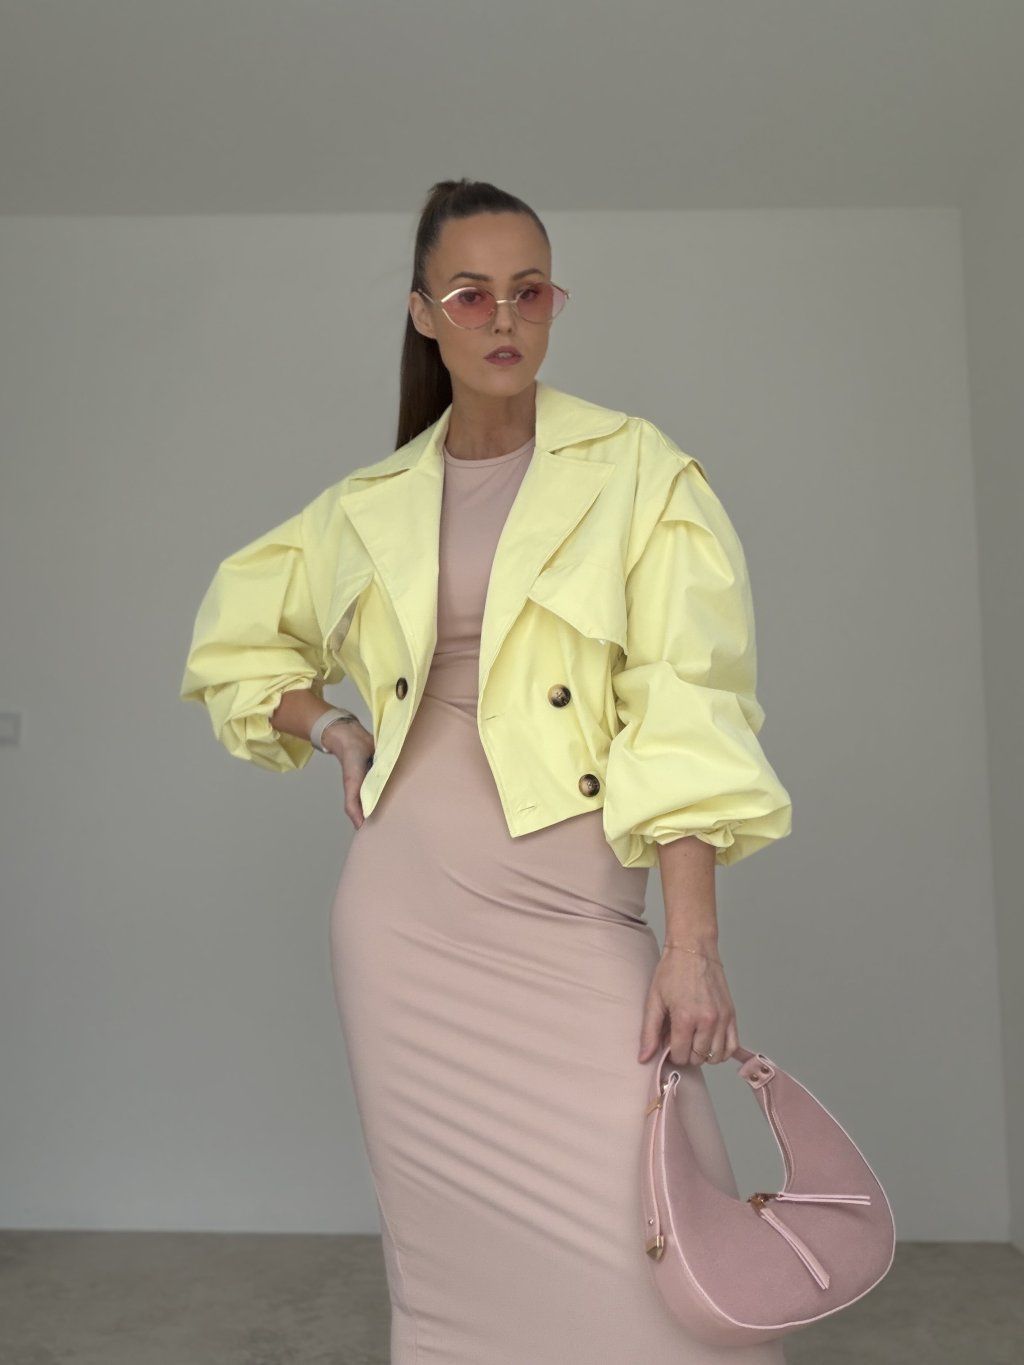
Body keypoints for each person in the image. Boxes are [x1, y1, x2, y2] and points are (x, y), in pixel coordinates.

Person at [180, 177, 793, 1364]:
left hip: (571, 905)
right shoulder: (367, 506)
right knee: (454, 1271)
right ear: (423, 313)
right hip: (407, 918)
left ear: (554, 302)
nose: (503, 317)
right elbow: (234, 646)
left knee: (666, 1240)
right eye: (470, 295)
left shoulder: (637, 471)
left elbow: (685, 709)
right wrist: (335, 728)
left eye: (529, 291)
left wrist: (692, 943)